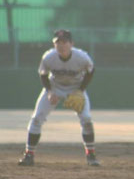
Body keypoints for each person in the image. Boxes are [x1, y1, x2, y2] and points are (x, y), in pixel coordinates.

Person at [18, 29, 100, 167]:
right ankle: (29, 155)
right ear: (54, 44)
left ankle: (91, 155)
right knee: (37, 118)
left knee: (86, 119)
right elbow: (43, 74)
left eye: (64, 42)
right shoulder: (49, 57)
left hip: (75, 88)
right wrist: (49, 91)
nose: (61, 45)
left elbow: (90, 71)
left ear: (71, 43)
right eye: (58, 42)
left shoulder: (82, 57)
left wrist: (80, 90)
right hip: (54, 87)